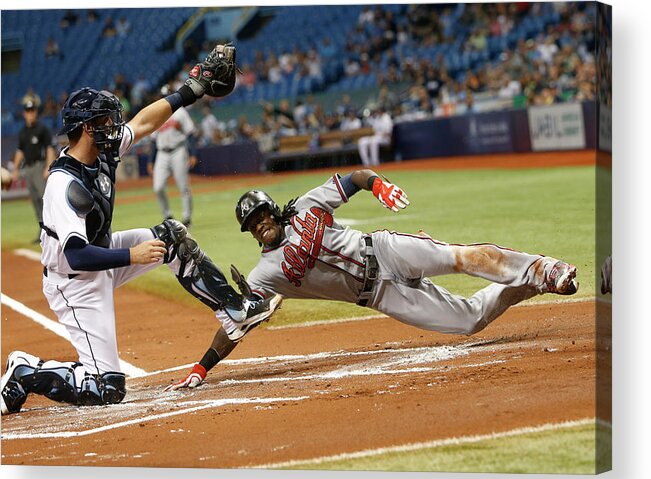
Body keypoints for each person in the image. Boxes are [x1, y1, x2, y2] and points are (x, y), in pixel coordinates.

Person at [0, 45, 282, 415]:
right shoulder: (63, 186)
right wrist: (132, 255)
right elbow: (75, 254)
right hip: (76, 281)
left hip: (103, 253)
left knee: (172, 237)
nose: (113, 127)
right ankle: (24, 371)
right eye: (104, 122)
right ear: (86, 128)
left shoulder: (103, 149)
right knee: (107, 390)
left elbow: (146, 122)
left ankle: (235, 309)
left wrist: (191, 90)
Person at [164, 169, 578, 390]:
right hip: (379, 295)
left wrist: (378, 185)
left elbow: (355, 177)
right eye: (251, 225)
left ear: (272, 210)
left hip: (382, 249)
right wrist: (203, 366)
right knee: (468, 321)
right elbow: (238, 319)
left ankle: (543, 268)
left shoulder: (309, 205)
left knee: (458, 258)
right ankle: (529, 283)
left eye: (261, 216)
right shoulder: (265, 273)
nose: (259, 226)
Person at [148, 84, 197, 227]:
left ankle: (187, 217)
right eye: (163, 97)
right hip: (162, 153)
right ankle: (167, 215)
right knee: (158, 187)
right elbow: (153, 140)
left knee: (183, 186)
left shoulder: (180, 112)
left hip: (178, 150)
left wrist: (193, 153)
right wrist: (151, 160)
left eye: (167, 96)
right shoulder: (158, 114)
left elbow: (190, 134)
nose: (165, 99)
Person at [11, 99, 57, 243]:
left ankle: (53, 230)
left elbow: (50, 148)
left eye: (32, 111)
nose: (30, 114)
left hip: (39, 166)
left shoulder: (42, 129)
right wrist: (15, 169)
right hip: (29, 169)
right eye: (28, 111)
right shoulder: (23, 132)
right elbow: (20, 151)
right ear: (25, 113)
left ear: (36, 112)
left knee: (45, 199)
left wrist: (48, 167)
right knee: (36, 201)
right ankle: (43, 230)